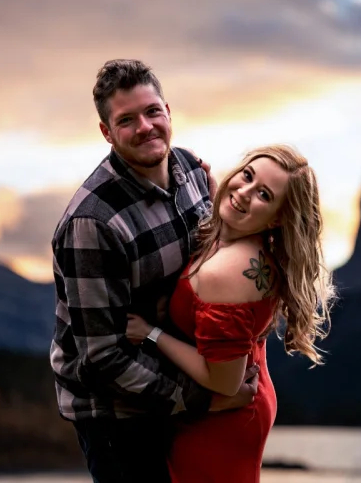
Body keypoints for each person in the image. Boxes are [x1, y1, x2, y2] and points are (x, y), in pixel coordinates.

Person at [49, 59, 258, 483]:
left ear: (168, 111)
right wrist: (204, 399)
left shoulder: (191, 172)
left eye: (152, 112)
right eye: (127, 120)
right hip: (118, 417)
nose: (145, 127)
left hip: (181, 386)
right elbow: (102, 360)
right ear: (107, 133)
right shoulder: (93, 224)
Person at [126, 144, 335, 483]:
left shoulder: (228, 272)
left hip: (225, 417)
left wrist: (152, 334)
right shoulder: (238, 239)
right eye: (247, 176)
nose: (244, 192)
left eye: (264, 194)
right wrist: (207, 186)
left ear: (278, 217)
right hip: (245, 403)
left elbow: (225, 382)